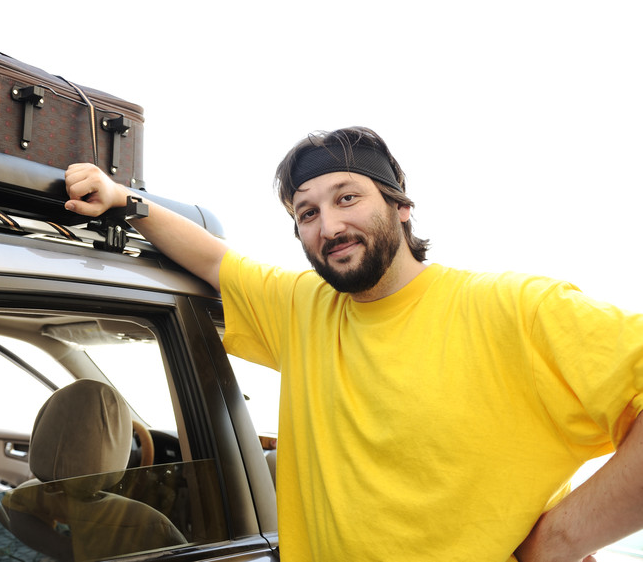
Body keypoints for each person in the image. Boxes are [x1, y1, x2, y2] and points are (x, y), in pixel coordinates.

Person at [64, 126, 643, 562]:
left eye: (348, 198)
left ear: (401, 208)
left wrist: (558, 540)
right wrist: (125, 201)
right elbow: (214, 259)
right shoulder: (303, 307)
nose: (328, 227)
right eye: (306, 212)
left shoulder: (514, 308)